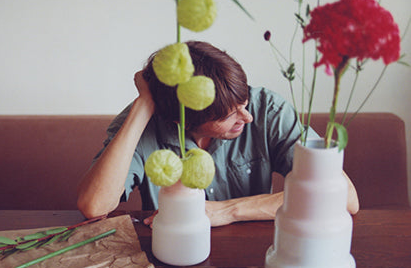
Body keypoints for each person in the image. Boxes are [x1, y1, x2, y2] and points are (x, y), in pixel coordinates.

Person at [77, 41, 359, 226]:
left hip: (259, 255)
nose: (246, 118)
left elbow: (345, 197)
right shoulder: (142, 124)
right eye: (228, 116)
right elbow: (94, 206)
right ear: (180, 119)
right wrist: (144, 103)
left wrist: (225, 211)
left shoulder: (268, 110)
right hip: (171, 259)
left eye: (244, 103)